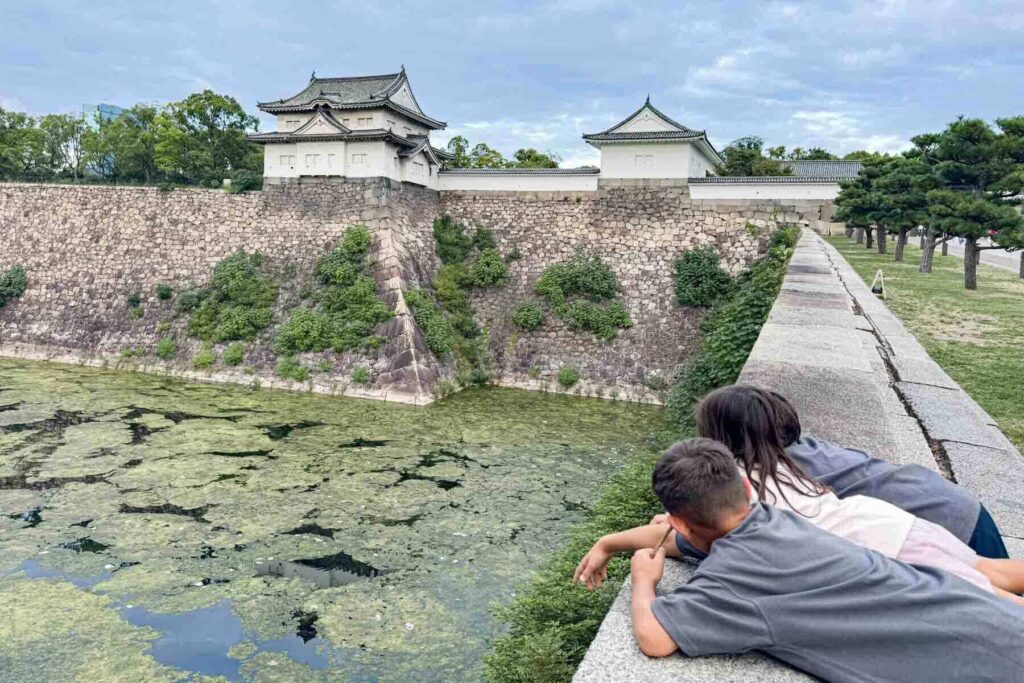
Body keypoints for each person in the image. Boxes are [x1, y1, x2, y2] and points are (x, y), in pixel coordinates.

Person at [626, 438, 1024, 681]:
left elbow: (656, 639)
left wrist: (645, 580)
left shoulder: (732, 581)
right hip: (997, 620)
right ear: (747, 487)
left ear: (676, 520)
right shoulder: (779, 521)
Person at [694, 384, 1024, 602]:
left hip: (932, 523)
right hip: (940, 507)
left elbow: (737, 519)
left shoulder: (774, 468)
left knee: (990, 598)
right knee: (992, 575)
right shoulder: (801, 450)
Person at [768, 388, 1007, 559]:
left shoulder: (787, 466)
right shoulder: (812, 447)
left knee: (1002, 612)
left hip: (951, 523)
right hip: (957, 503)